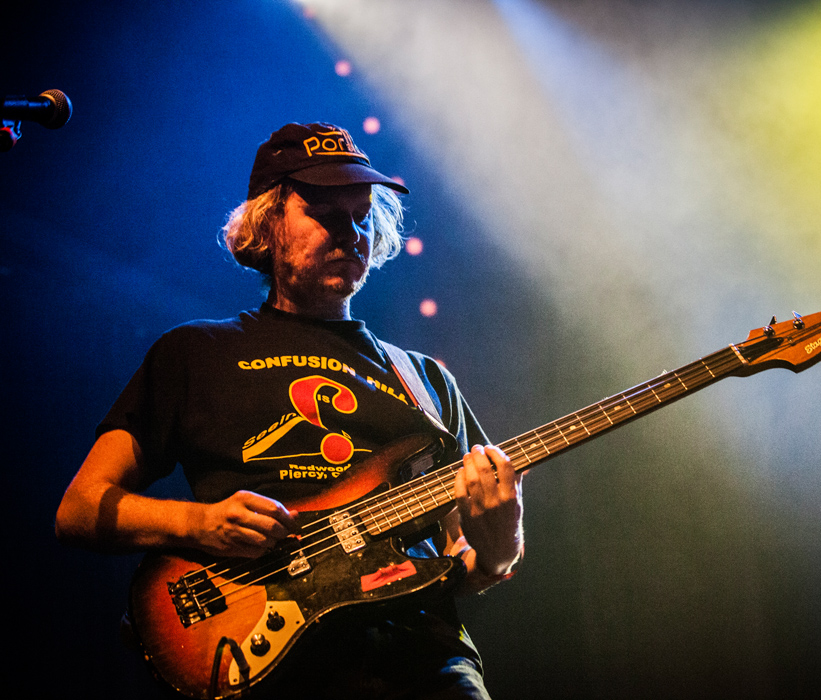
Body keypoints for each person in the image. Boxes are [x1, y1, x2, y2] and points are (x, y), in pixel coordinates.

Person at [55, 122, 524, 699]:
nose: (351, 231)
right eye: (325, 211)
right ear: (268, 223)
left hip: (423, 662)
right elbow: (79, 510)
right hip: (264, 654)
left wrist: (500, 543)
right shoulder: (193, 353)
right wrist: (198, 523)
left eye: (360, 214)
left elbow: (468, 562)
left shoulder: (426, 380)